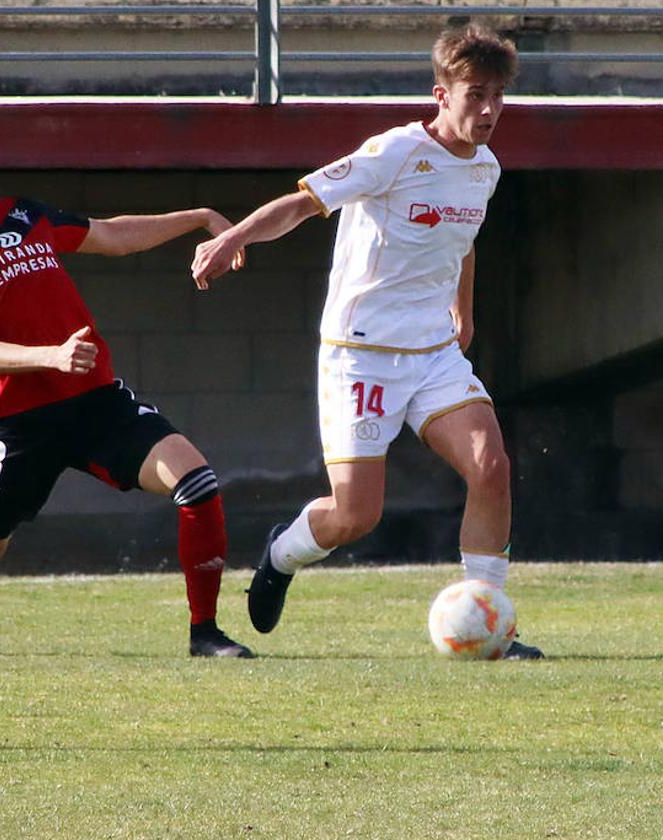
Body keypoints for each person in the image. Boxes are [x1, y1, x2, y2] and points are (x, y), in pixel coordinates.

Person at [0, 113, 254, 658]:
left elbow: (110, 235)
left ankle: (205, 634)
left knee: (196, 482)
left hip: (96, 403)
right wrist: (51, 357)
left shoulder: (23, 214)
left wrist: (199, 217)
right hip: (21, 427)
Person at [191, 24, 543, 659]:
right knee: (356, 516)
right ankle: (281, 553)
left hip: (433, 353)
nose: (488, 110)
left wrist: (463, 310)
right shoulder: (396, 153)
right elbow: (302, 203)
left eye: (498, 96)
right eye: (475, 94)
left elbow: (462, 244)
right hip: (361, 354)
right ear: (442, 94)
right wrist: (233, 237)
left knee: (492, 468)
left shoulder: (485, 169)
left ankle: (492, 621)